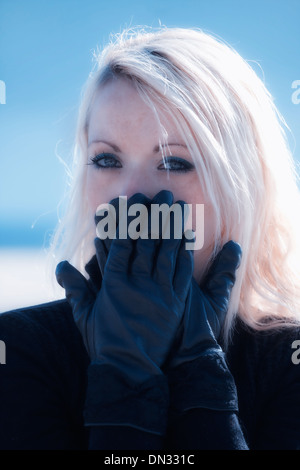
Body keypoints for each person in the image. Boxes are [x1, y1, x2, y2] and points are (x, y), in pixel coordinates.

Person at [1, 26, 300, 450]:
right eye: (107, 159)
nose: (132, 197)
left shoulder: (288, 361)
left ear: (241, 187)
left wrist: (198, 370)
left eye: (174, 162)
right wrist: (125, 374)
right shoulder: (19, 349)